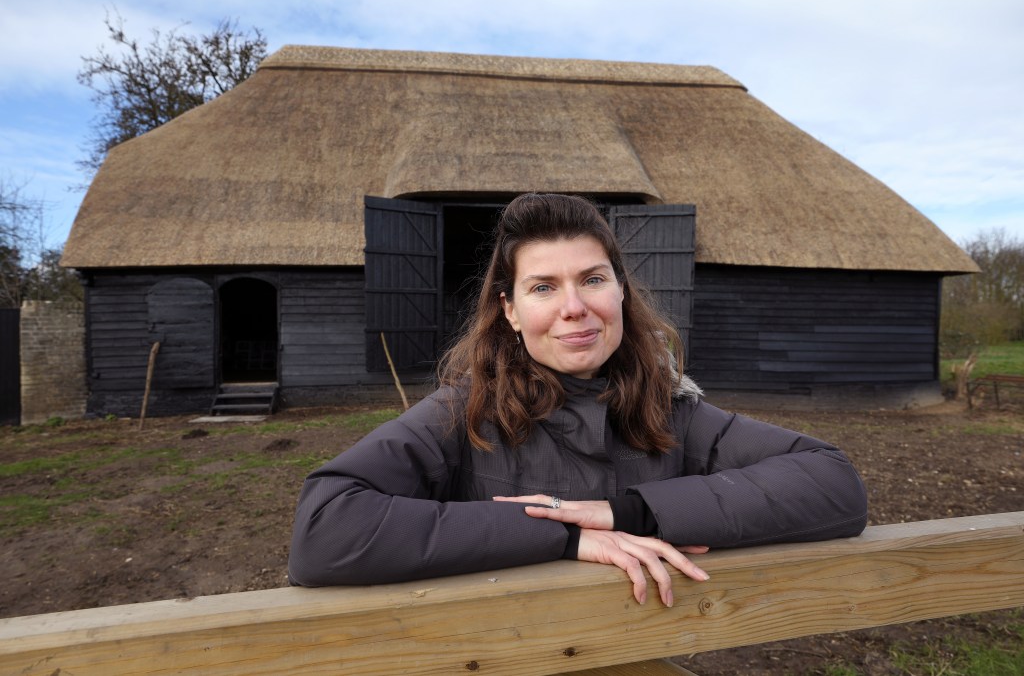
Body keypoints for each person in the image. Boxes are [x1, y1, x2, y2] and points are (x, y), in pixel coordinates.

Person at [288, 193, 868, 607]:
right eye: (543, 287)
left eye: (592, 279)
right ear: (511, 311)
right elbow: (324, 529)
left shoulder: (673, 411)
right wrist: (564, 535)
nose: (574, 308)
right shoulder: (461, 412)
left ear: (620, 290)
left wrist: (627, 513)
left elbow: (832, 483)